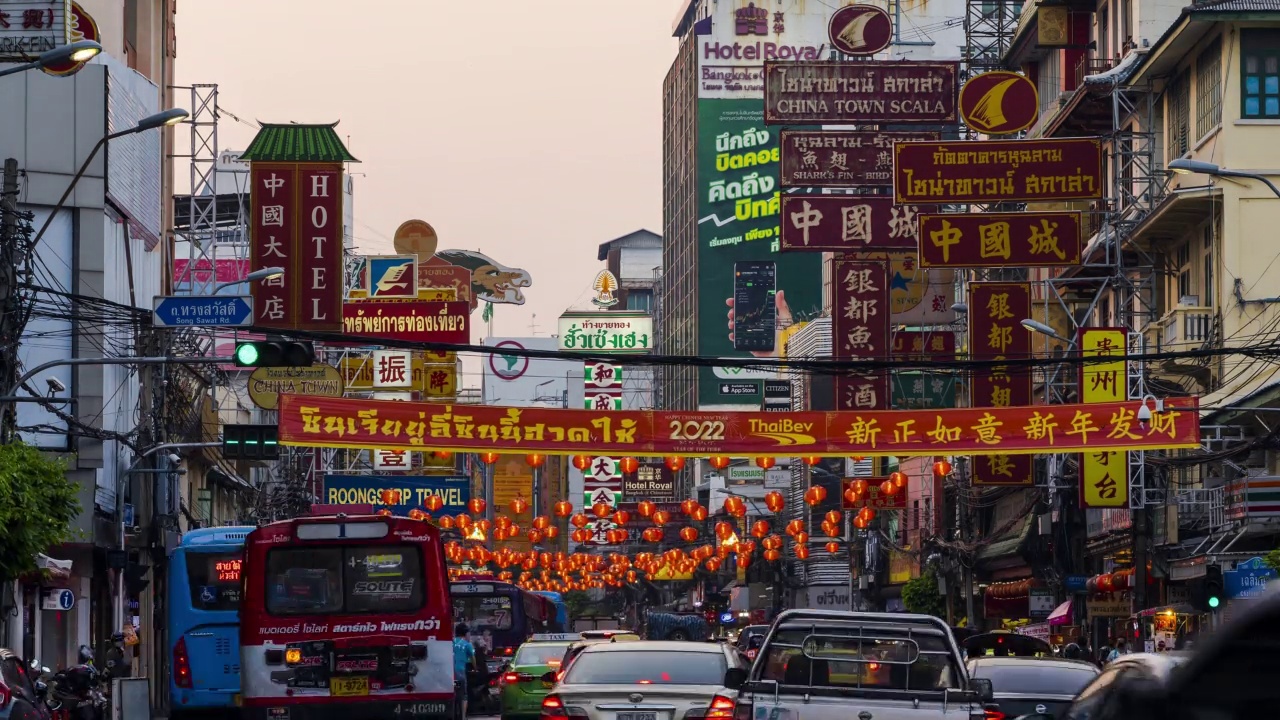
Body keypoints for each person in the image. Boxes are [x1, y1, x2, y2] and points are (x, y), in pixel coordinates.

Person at [453, 623, 476, 718]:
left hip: (449, 672)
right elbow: (472, 658)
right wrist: (475, 668)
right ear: (466, 633)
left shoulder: (450, 642)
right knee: (464, 695)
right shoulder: (467, 644)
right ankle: (463, 716)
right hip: (461, 672)